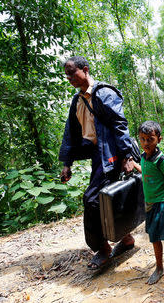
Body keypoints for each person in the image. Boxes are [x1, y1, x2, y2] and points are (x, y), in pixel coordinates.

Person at [59, 56, 135, 270]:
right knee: (108, 197)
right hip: (97, 155)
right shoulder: (77, 100)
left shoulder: (104, 93)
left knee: (93, 199)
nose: (69, 78)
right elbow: (71, 133)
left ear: (85, 69)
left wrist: (127, 157)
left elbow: (119, 124)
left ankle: (102, 248)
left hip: (111, 154)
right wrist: (67, 163)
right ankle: (126, 238)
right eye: (66, 75)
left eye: (72, 73)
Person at [131, 121, 164, 285]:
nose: (146, 143)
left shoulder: (161, 160)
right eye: (143, 139)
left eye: (150, 139)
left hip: (161, 202)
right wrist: (134, 165)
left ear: (158, 140)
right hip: (150, 202)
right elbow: (145, 170)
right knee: (156, 231)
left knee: (154, 236)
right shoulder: (144, 157)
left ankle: (159, 269)